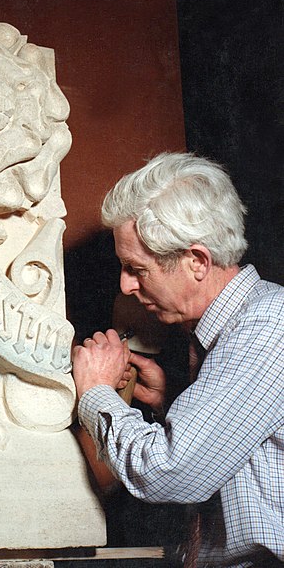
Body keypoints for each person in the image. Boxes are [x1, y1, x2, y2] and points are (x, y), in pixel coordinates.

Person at [72, 152, 284, 568]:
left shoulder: (267, 325)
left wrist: (96, 392)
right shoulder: (229, 330)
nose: (125, 285)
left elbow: (168, 472)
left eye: (137, 268)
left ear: (197, 262)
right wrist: (169, 404)